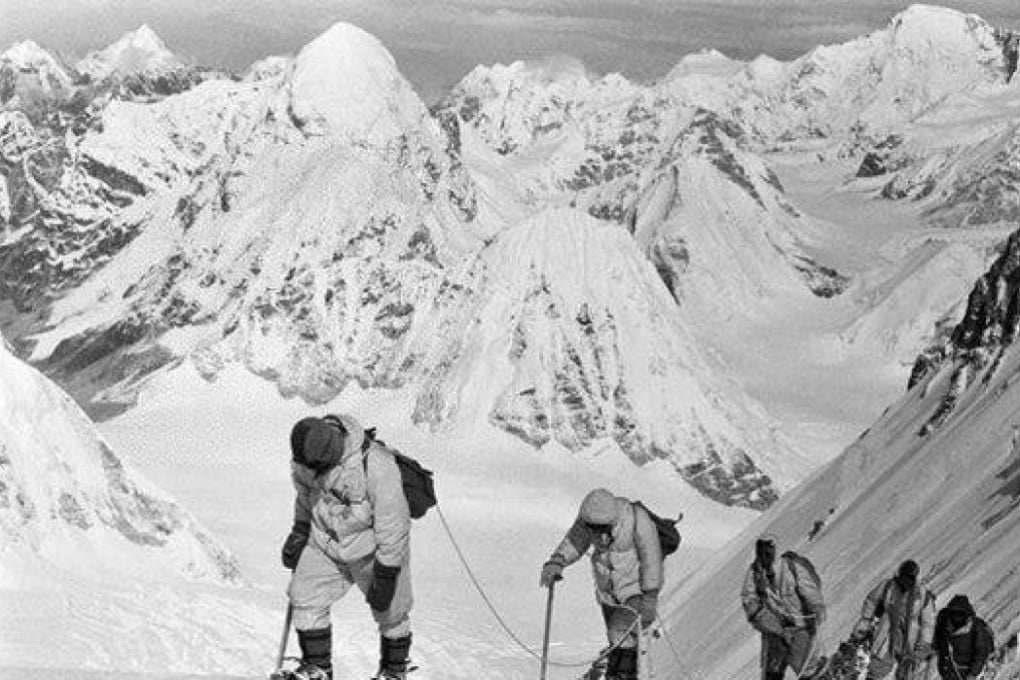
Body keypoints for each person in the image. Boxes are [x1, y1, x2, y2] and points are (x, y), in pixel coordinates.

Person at [281, 414, 413, 680]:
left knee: (391, 610)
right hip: (326, 541)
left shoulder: (377, 466)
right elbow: (305, 495)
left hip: (371, 549)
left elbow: (393, 524)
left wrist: (387, 572)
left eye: (315, 467)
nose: (309, 472)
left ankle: (393, 672)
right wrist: (300, 530)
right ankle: (318, 669)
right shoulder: (306, 459)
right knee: (304, 596)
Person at [539, 489, 664, 680]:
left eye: (602, 528)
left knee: (620, 633)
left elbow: (652, 558)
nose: (598, 535)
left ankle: (621, 675)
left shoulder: (636, 520)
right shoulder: (587, 521)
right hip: (608, 595)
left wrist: (650, 597)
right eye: (593, 529)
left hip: (636, 590)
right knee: (618, 640)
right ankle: (621, 673)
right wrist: (558, 561)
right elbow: (575, 542)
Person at [741, 533, 826, 680]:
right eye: (761, 550)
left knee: (807, 668)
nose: (764, 555)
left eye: (768, 550)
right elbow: (751, 605)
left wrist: (816, 607)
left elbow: (809, 590)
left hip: (800, 627)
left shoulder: (791, 567)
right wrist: (777, 629)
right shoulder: (754, 574)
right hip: (774, 631)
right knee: (772, 672)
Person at [850, 559, 935, 679]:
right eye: (904, 576)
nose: (906, 581)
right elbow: (872, 600)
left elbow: (928, 624)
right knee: (878, 666)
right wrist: (866, 619)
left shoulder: (923, 596)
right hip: (888, 632)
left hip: (910, 638)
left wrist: (924, 644)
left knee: (907, 671)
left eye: (910, 578)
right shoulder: (888, 586)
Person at [933, 595, 994, 680]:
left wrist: (973, 674)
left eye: (959, 613)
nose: (956, 617)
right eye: (954, 613)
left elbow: (981, 653)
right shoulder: (944, 622)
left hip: (968, 673)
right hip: (949, 672)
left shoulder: (976, 627)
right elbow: (937, 641)